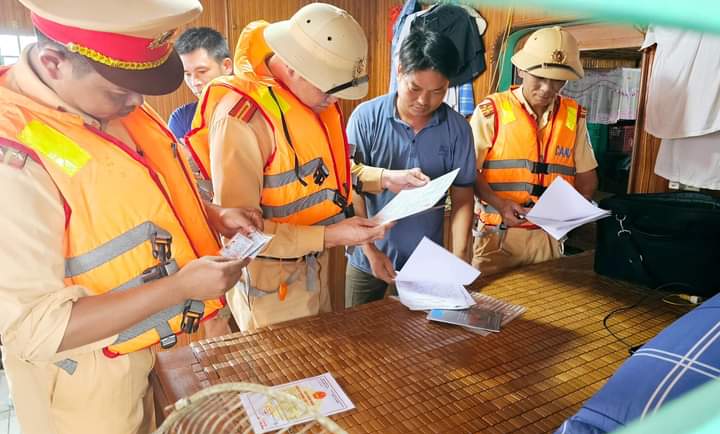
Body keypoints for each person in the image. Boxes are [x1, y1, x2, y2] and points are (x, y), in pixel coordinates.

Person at [0, 0, 263, 434]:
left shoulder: (113, 99)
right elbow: (34, 330)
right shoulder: (13, 160)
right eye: (119, 89)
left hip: (169, 351)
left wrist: (212, 215)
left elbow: (129, 200)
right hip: (90, 389)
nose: (137, 100)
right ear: (53, 62)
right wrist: (178, 287)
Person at [186, 3, 427, 330]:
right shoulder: (241, 120)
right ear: (294, 66)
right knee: (286, 379)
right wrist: (331, 235)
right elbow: (241, 236)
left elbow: (323, 175)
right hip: (274, 288)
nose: (334, 101)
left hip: (320, 267)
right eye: (329, 90)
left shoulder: (313, 101)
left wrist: (384, 178)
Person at [345, 28, 477, 307]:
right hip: (367, 258)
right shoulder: (365, 118)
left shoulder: (458, 130)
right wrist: (369, 251)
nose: (423, 101)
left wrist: (460, 255)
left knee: (416, 345)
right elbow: (351, 188)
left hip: (425, 262)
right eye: (415, 88)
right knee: (356, 341)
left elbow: (464, 197)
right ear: (400, 70)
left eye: (437, 91)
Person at [470, 26, 599, 275]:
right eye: (539, 77)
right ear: (521, 70)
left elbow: (587, 179)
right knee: (488, 308)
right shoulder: (491, 111)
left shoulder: (574, 116)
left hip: (548, 241)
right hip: (497, 239)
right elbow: (468, 173)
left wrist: (568, 216)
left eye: (557, 80)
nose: (547, 88)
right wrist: (499, 204)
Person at [168, 27, 233, 142]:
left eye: (202, 71)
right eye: (187, 74)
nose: (194, 82)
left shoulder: (255, 109)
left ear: (226, 66)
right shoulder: (181, 118)